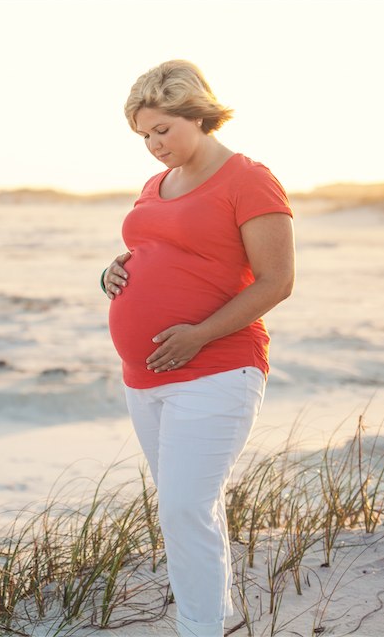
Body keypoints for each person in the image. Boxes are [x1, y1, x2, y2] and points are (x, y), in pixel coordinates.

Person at [101, 60, 295, 637]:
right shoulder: (154, 186)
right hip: (146, 378)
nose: (154, 145)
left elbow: (275, 281)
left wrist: (198, 334)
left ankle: (200, 627)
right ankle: (217, 618)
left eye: (163, 128)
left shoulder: (248, 179)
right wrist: (115, 270)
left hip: (217, 368)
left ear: (197, 113)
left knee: (185, 507)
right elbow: (156, 248)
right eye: (144, 135)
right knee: (185, 508)